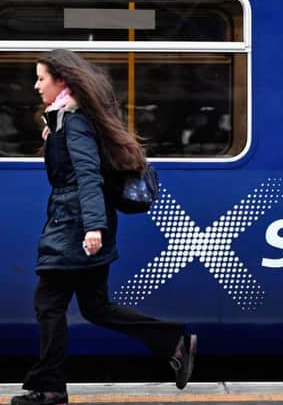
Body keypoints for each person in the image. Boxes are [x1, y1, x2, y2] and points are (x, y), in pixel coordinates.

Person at [11, 49, 197, 405]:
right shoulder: (65, 120)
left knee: (48, 304)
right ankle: (173, 342)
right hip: (79, 224)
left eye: (41, 78)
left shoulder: (75, 122)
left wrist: (92, 228)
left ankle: (49, 387)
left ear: (61, 80)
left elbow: (87, 178)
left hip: (75, 228)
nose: (36, 86)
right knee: (97, 308)